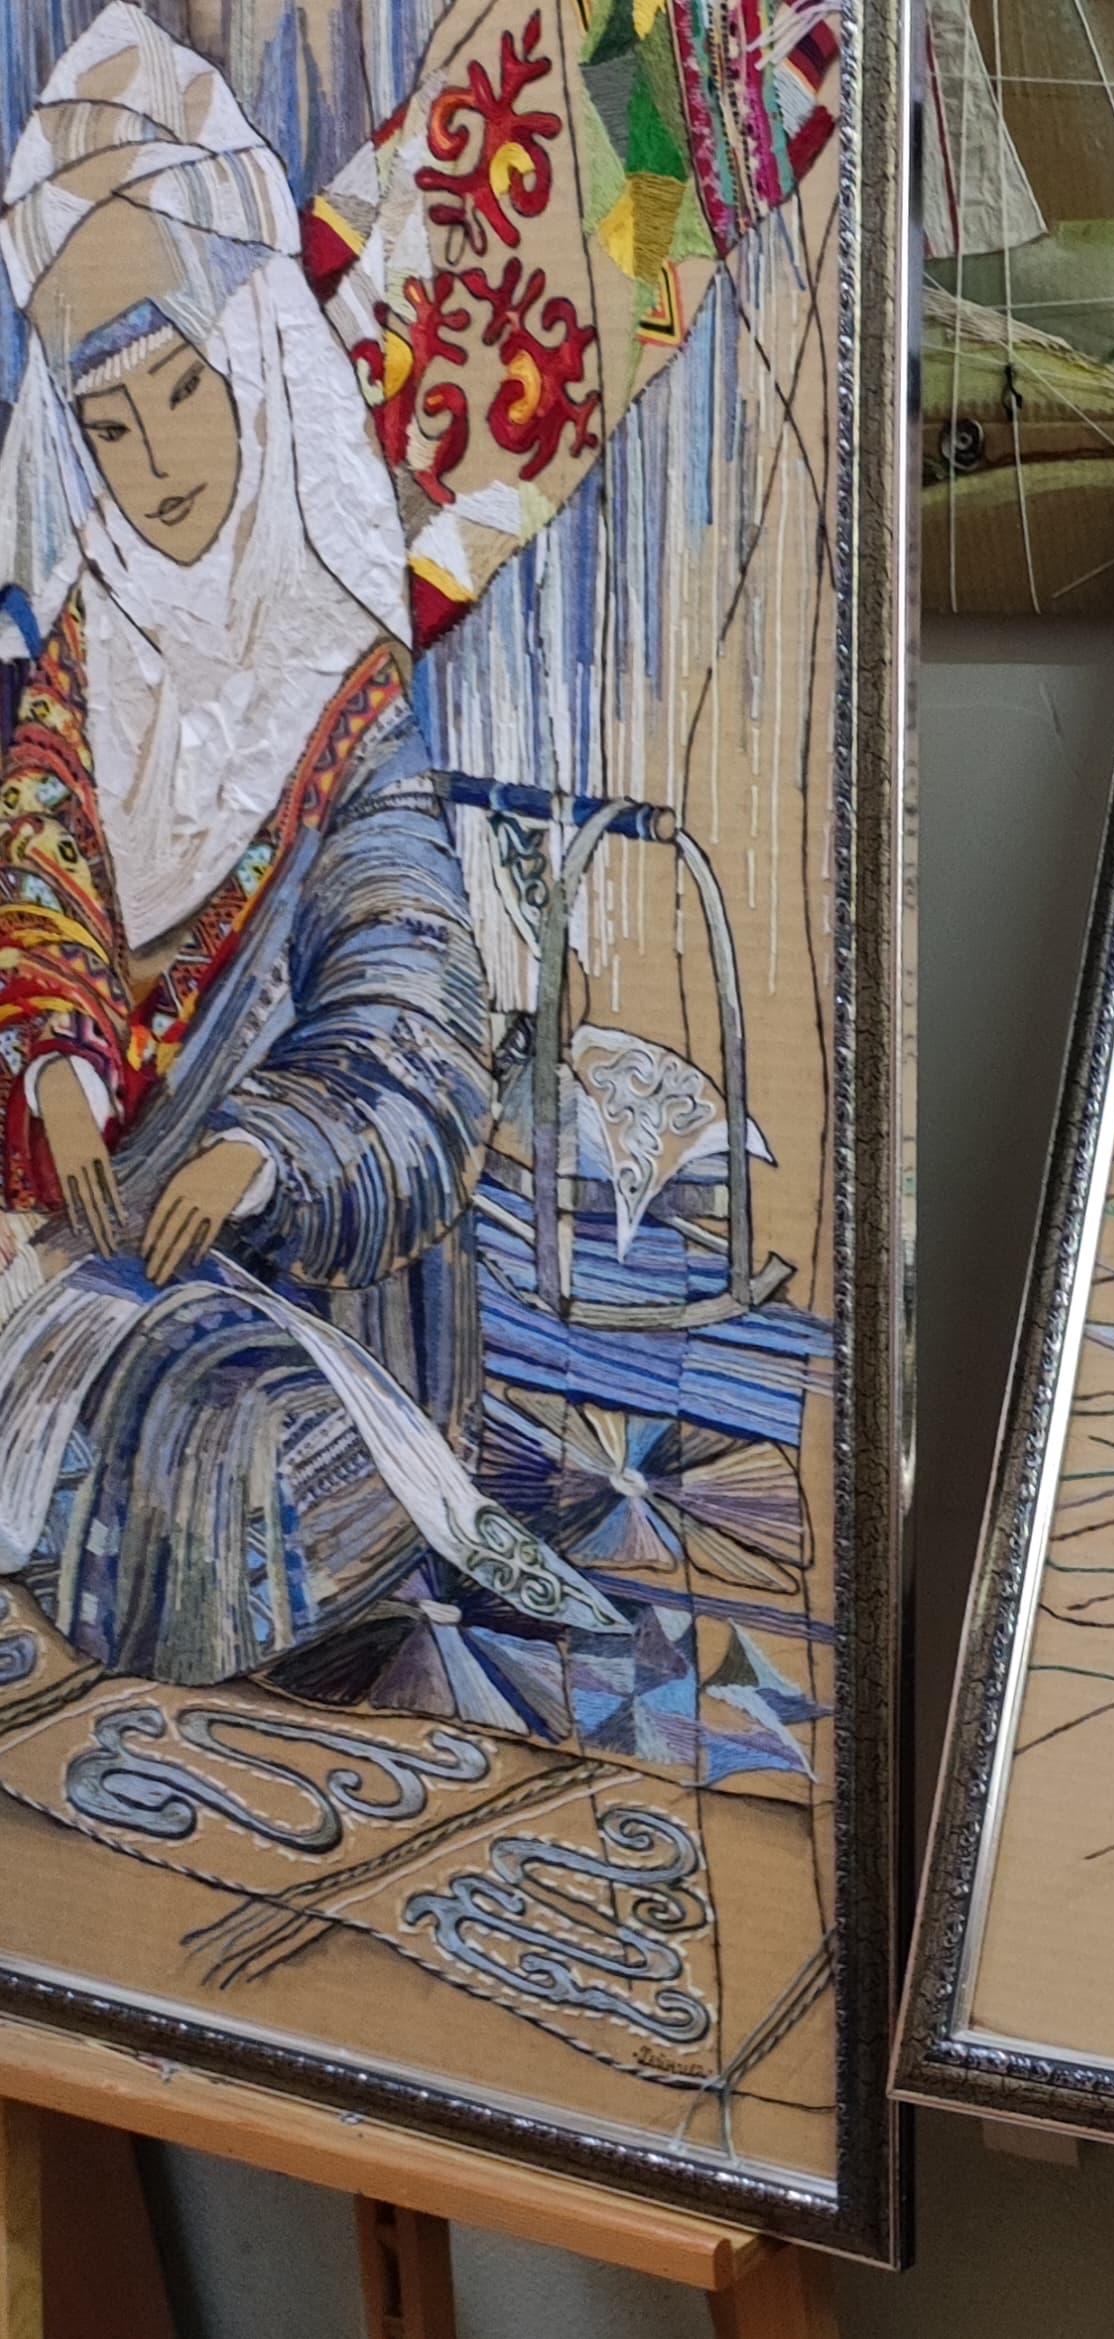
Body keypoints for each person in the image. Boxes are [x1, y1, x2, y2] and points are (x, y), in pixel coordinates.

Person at [0, 6, 596, 1713]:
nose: (159, 462)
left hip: (304, 1264)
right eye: (111, 426)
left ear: (257, 362)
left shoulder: (349, 692)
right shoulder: (80, 666)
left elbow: (413, 1022)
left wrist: (261, 1151)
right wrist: (55, 1076)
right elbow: (38, 893)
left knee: (239, 1434)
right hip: (93, 1228)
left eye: (183, 392)